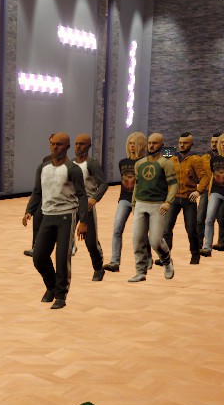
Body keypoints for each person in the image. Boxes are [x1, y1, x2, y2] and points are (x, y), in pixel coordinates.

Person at [21, 132, 91, 309]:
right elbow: (37, 191)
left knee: (62, 258)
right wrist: (29, 210)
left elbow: (82, 196)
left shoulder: (72, 169)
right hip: (47, 215)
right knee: (38, 256)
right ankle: (51, 287)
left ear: (67, 147)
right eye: (52, 143)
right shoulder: (43, 168)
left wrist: (83, 221)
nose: (54, 147)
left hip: (66, 216)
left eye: (59, 144)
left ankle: (61, 295)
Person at [128, 132, 176, 282]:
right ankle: (140, 271)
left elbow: (174, 184)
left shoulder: (166, 163)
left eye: (155, 143)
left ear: (162, 145)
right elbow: (137, 185)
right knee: (137, 240)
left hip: (157, 205)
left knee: (155, 241)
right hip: (140, 204)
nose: (151, 146)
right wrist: (134, 203)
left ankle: (167, 261)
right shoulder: (140, 164)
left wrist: (168, 202)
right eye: (149, 143)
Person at [164, 131, 209, 264]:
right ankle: (166, 257)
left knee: (191, 229)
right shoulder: (172, 159)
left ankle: (195, 255)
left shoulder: (195, 160)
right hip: (173, 198)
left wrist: (198, 191)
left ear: (191, 144)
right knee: (166, 229)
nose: (182, 145)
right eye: (180, 143)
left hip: (188, 198)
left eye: (185, 143)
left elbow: (205, 177)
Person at [104, 131, 144, 274]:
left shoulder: (144, 163)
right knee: (117, 229)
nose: (132, 146)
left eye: (135, 143)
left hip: (139, 200)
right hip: (124, 199)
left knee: (140, 232)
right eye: (130, 143)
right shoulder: (122, 163)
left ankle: (146, 259)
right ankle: (115, 261)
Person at [69, 132, 107, 280]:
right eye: (76, 144)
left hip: (87, 205)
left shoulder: (92, 164)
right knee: (64, 237)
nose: (78, 147)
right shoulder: (70, 163)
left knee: (90, 242)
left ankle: (98, 268)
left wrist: (94, 199)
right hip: (71, 205)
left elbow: (103, 184)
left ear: (89, 146)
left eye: (82, 144)